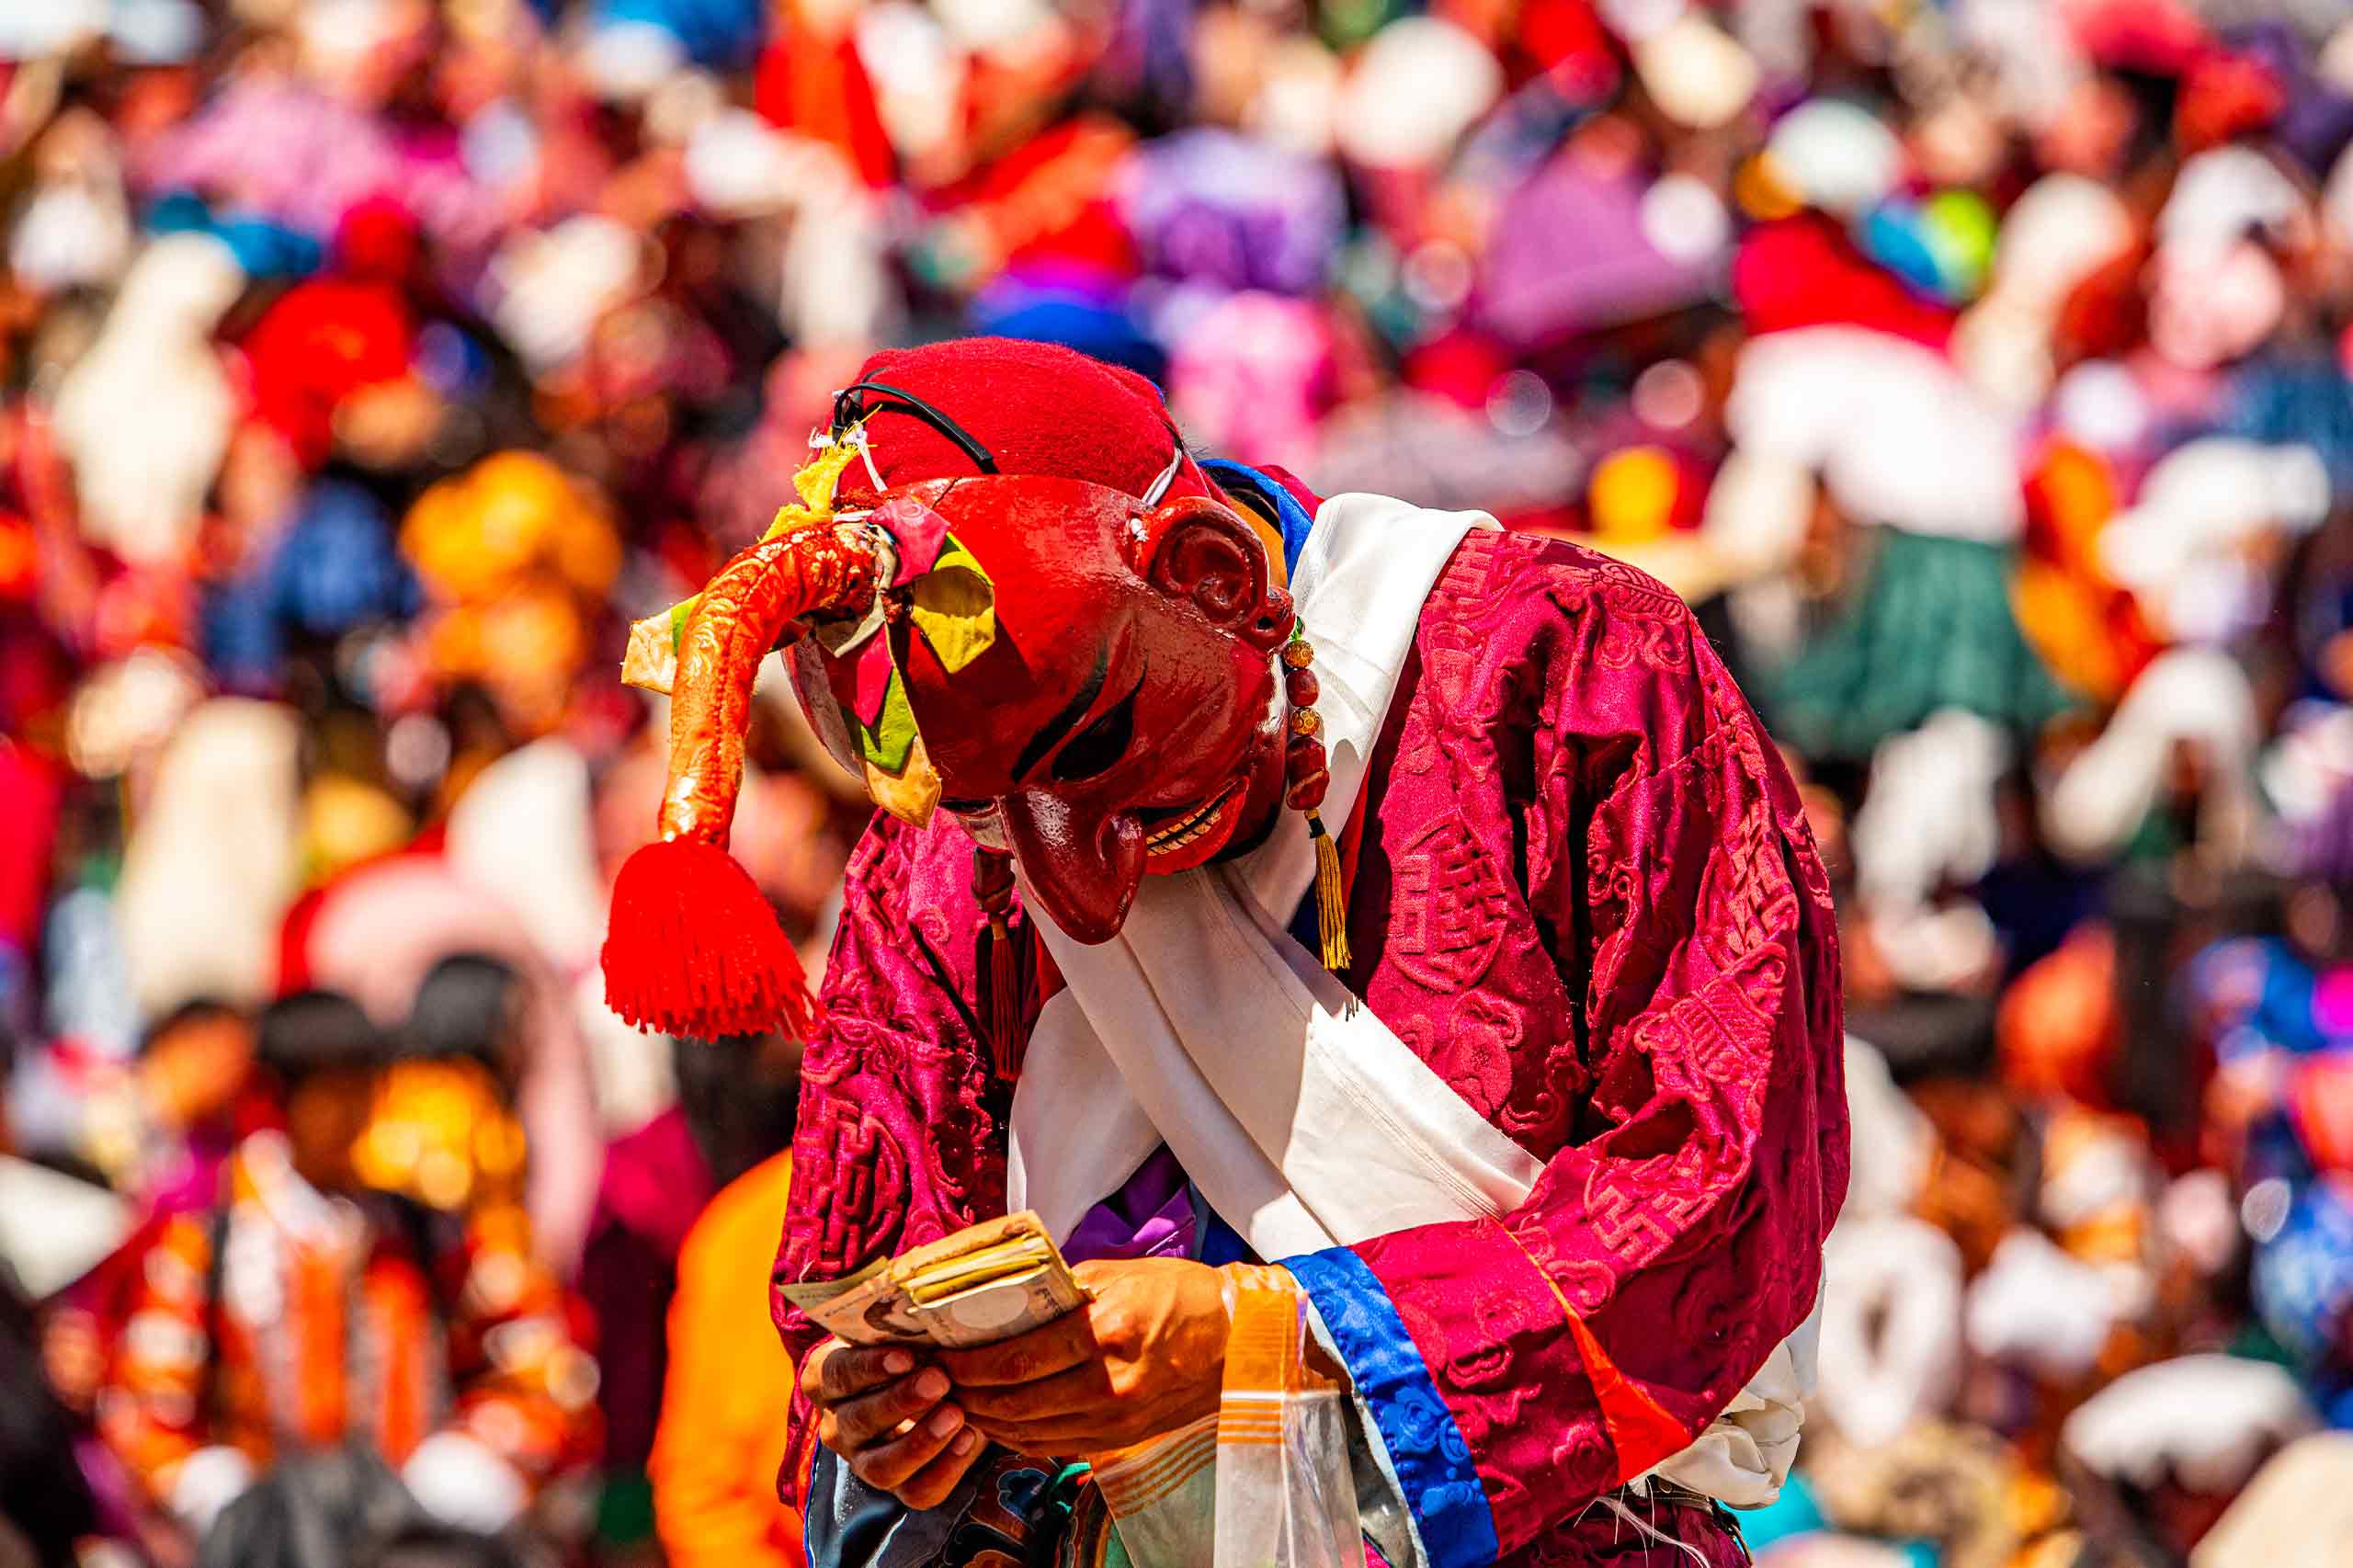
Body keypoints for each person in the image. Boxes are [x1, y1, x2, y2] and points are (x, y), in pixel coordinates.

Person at [599, 336, 1847, 1566]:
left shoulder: (1560, 664)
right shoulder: (936, 838)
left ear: (1211, 577)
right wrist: (902, 1427)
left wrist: (1274, 1337)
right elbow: (862, 1292)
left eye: (1096, 754)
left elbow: (1728, 1181)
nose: (1077, 889)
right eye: (993, 818)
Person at [97, 988, 599, 1546]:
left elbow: (539, 1368)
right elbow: (145, 1407)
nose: (357, 1115)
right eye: (336, 1094)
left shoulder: (427, 1231)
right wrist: (217, 1492)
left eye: (366, 1090)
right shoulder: (209, 1241)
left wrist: (466, 1468)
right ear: (282, 1099)